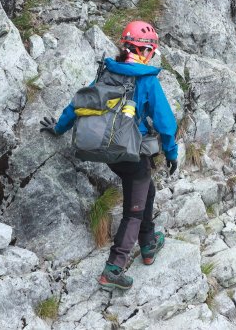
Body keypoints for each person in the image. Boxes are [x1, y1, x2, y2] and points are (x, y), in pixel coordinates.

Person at [40, 20, 179, 292]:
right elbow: (165, 123)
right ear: (147, 51)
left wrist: (58, 127)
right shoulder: (146, 80)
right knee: (133, 211)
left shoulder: (107, 72)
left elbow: (79, 104)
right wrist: (172, 153)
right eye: (152, 51)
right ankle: (113, 269)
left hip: (110, 154)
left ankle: (149, 244)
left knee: (146, 190)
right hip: (132, 154)